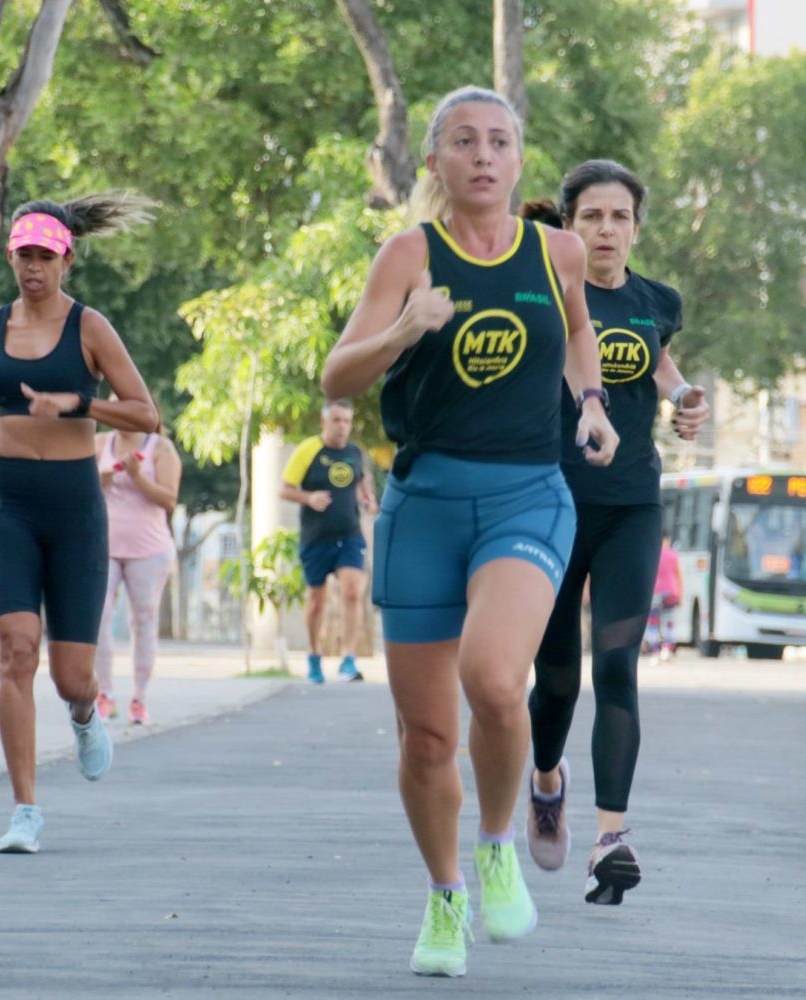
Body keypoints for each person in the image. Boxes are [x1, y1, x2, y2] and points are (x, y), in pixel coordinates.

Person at [321, 86, 618, 977]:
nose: (483, 155)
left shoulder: (557, 250)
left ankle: (496, 842)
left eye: (498, 141)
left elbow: (577, 331)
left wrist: (593, 402)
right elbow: (339, 375)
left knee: (493, 678)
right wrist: (406, 327)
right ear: (436, 163)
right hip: (425, 504)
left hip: (530, 493)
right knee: (424, 738)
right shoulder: (407, 253)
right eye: (463, 141)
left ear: (519, 160)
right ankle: (446, 896)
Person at [522, 160, 709, 905]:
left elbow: (662, 368)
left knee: (618, 667)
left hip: (632, 502)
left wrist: (686, 398)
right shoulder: (544, 297)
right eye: (591, 216)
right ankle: (545, 782)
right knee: (559, 680)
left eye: (619, 217)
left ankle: (611, 837)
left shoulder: (653, 300)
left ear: (636, 227)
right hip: (553, 503)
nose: (605, 230)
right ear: (569, 225)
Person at [0, 193, 159, 854]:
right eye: (23, 255)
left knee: (69, 676)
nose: (33, 267)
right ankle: (25, 809)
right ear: (11, 258)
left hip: (77, 509)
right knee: (17, 651)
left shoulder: (90, 329)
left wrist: (81, 402)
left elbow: (147, 414)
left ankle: (84, 713)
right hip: (11, 506)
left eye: (44, 256)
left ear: (66, 259)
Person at [93, 403, 182, 724]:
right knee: (97, 618)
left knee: (142, 621)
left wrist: (135, 477)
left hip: (148, 548)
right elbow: (81, 488)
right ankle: (105, 693)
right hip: (104, 546)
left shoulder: (160, 448)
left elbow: (169, 499)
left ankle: (139, 698)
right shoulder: (101, 443)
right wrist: (100, 478)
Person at [279, 399, 378, 684]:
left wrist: (369, 500)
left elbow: (362, 485)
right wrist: (308, 498)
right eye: (336, 420)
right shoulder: (308, 450)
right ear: (324, 422)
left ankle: (349, 659)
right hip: (316, 536)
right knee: (317, 599)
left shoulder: (355, 453)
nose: (342, 426)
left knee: (352, 591)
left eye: (347, 421)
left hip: (349, 534)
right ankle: (314, 656)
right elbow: (284, 489)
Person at [642, 533, 683, 659]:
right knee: (669, 622)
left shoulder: (651, 554)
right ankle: (666, 649)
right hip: (671, 591)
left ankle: (655, 649)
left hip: (655, 592)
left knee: (653, 622)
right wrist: (680, 594)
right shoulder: (673, 555)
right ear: (667, 540)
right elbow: (679, 576)